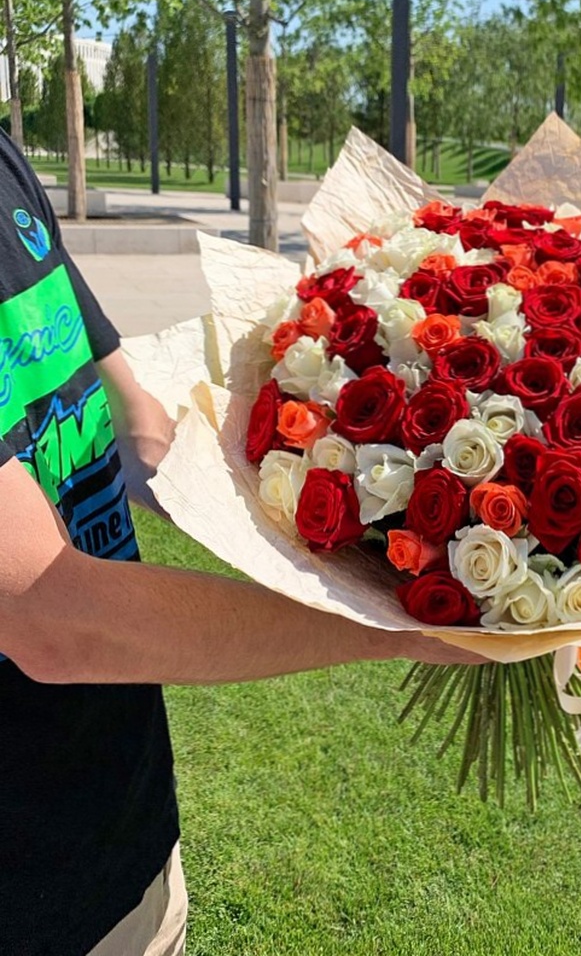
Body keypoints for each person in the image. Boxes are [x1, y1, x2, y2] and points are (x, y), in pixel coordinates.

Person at [0, 128, 476, 956]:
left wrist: (349, 488)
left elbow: (134, 426)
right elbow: (51, 617)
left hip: (122, 833)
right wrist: (395, 626)